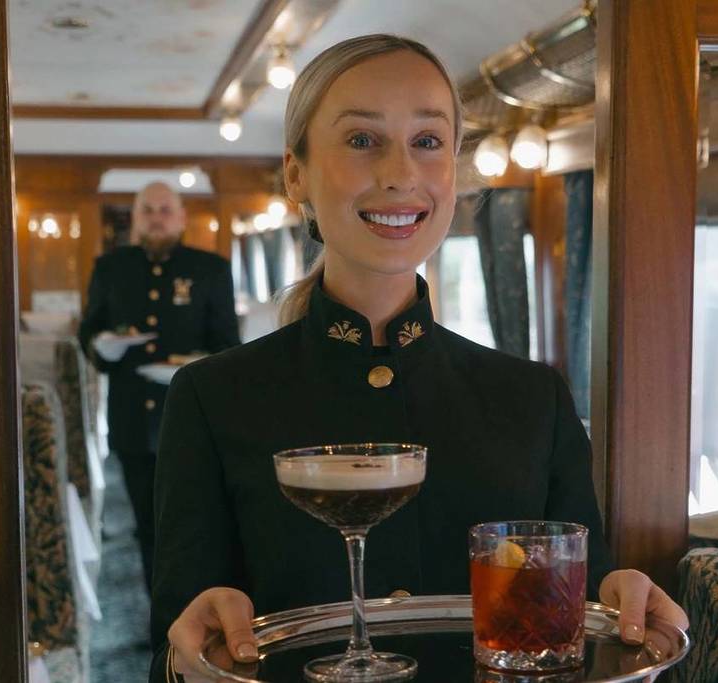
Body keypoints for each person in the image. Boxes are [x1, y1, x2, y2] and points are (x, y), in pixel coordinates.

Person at [150, 35, 688, 682]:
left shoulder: (532, 398)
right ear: (297, 174)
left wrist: (621, 594)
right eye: (362, 140)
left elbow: (582, 599)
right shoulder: (213, 397)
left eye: (428, 141)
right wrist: (192, 646)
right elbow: (174, 645)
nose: (400, 172)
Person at [78, 181, 241, 593]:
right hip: (132, 419)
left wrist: (192, 366)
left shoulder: (211, 269)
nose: (156, 217)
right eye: (147, 210)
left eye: (165, 209)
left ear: (182, 217)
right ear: (135, 219)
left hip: (193, 421)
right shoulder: (110, 268)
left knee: (194, 526)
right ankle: (160, 619)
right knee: (147, 529)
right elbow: (89, 332)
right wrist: (105, 348)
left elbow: (227, 346)